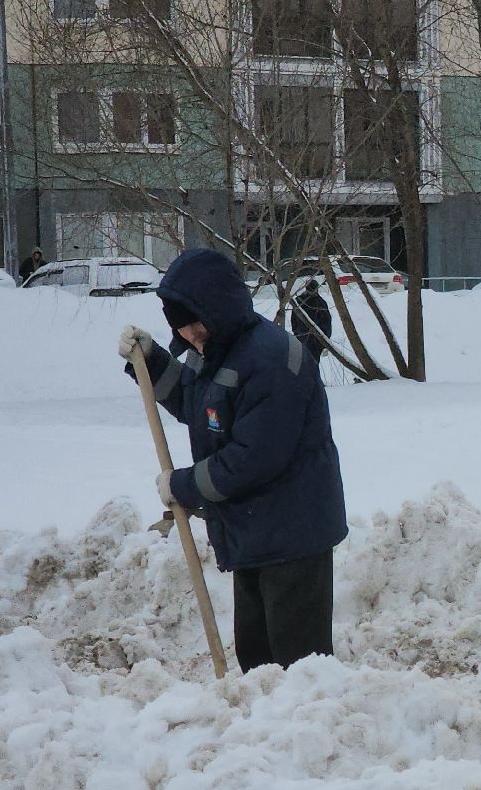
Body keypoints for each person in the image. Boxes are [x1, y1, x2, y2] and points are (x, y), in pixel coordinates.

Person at [117, 247, 348, 670]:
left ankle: (310, 716)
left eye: (195, 322)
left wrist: (184, 485)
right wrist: (151, 364)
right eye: (181, 326)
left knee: (299, 667)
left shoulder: (271, 361)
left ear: (219, 307)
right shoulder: (219, 349)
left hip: (293, 535)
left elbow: (252, 459)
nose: (190, 334)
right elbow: (198, 406)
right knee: (258, 662)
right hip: (254, 531)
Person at [289, 276, 332, 357]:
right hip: (316, 340)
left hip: (302, 337)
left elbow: (293, 321)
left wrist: (297, 333)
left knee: (302, 360)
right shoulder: (320, 303)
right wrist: (325, 339)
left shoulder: (299, 301)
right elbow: (327, 323)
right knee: (312, 361)